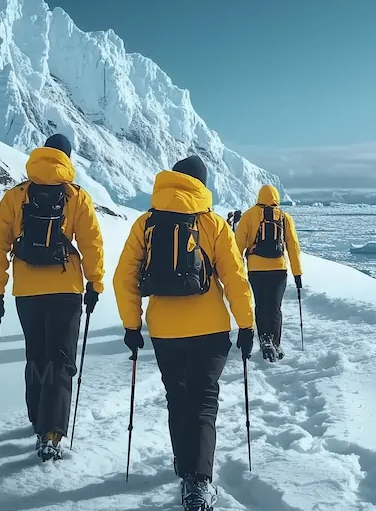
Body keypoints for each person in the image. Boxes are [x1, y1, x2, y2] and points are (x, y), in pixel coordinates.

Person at [113, 155, 255, 511]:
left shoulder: (146, 223)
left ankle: (184, 464)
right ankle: (199, 482)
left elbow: (124, 278)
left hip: (165, 330)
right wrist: (247, 324)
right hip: (210, 330)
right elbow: (236, 279)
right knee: (203, 402)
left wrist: (133, 325)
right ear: (202, 185)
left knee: (178, 399)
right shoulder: (213, 223)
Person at [0, 133, 105, 462]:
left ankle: (38, 417)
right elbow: (92, 242)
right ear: (66, 159)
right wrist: (95, 283)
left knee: (36, 354)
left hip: (27, 291)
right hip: (66, 289)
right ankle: (51, 432)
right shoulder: (75, 196)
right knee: (61, 359)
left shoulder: (17, 196)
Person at [233, 184, 303, 362]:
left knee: (261, 304)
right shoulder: (285, 218)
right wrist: (297, 274)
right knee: (275, 306)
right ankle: (276, 342)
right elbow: (293, 247)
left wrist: (237, 269)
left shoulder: (249, 215)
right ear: (276, 198)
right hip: (279, 270)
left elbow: (237, 245)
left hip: (256, 270)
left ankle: (264, 338)